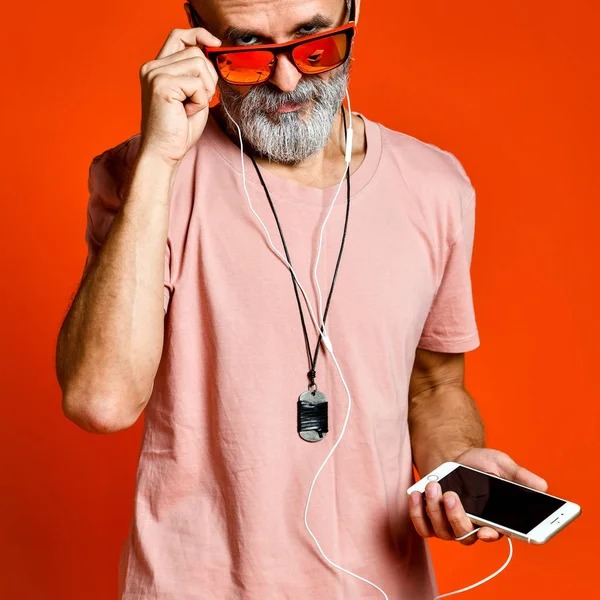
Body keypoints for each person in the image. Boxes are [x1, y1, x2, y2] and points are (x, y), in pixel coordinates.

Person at [55, 0, 549, 598]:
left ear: (353, 16)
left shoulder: (435, 186)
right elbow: (100, 402)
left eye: (314, 44)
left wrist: (460, 465)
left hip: (380, 584)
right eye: (246, 52)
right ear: (200, 40)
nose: (286, 79)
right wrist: (160, 159)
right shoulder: (143, 176)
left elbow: (433, 386)